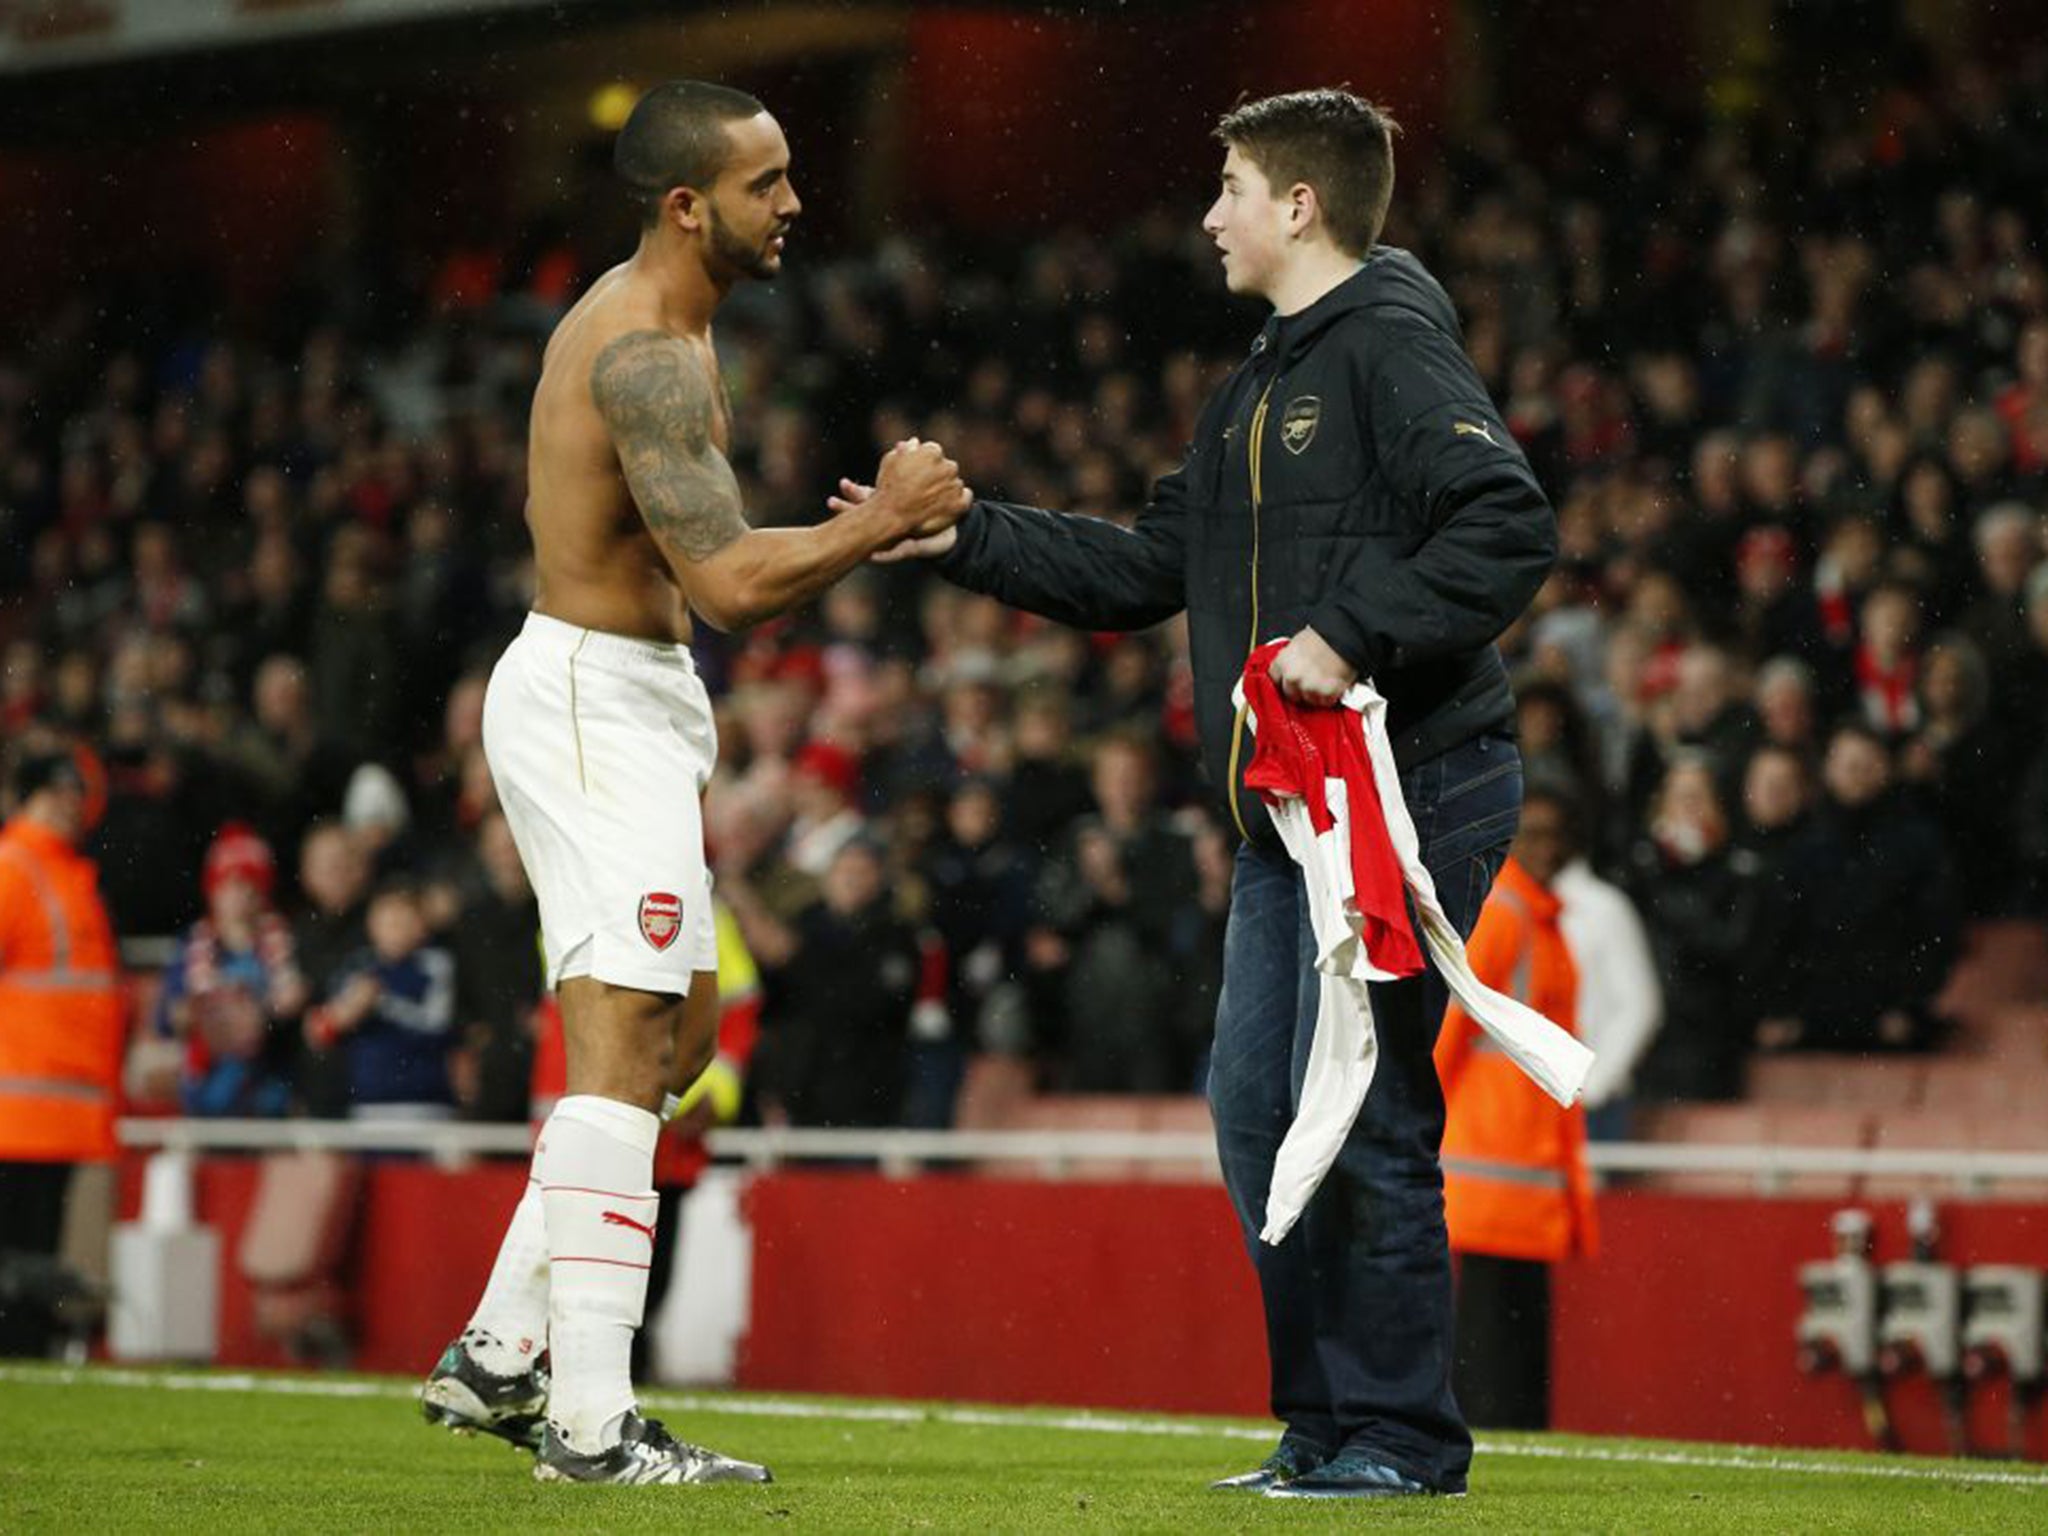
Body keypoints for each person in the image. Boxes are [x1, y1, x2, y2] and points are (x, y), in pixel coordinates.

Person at [857, 89, 1555, 1497]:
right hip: (1286, 816)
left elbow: (1507, 522)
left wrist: (1350, 631)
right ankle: (1324, 1427)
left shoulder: (1391, 347)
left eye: (1231, 186)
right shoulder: (1257, 381)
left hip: (1408, 792)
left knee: (1360, 1110)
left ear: (1300, 206)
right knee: (1256, 1109)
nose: (1209, 214)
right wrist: (965, 537)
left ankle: (1402, 1440)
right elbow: (1140, 569)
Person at [421, 79, 971, 1488]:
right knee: (623, 1058)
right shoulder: (650, 352)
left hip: (623, 699)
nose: (794, 204)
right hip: (601, 699)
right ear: (686, 205)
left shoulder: (660, 321)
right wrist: (889, 524)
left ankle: (497, 1348)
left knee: (688, 1035)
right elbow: (725, 583)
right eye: (765, 182)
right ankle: (593, 1428)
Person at [1438, 785, 1596, 1429]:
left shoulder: (1531, 915)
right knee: (1497, 1342)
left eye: (1554, 833)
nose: (1545, 846)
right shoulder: (1509, 914)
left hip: (1514, 1166)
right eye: (1532, 832)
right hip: (1498, 1163)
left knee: (1509, 1334)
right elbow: (1452, 1025)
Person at [0, 748, 125, 1358]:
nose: (76, 808)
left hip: (53, 1119)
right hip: (19, 1118)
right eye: (63, 795)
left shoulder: (63, 875)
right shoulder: (16, 870)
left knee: (30, 1274)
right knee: (19, 1272)